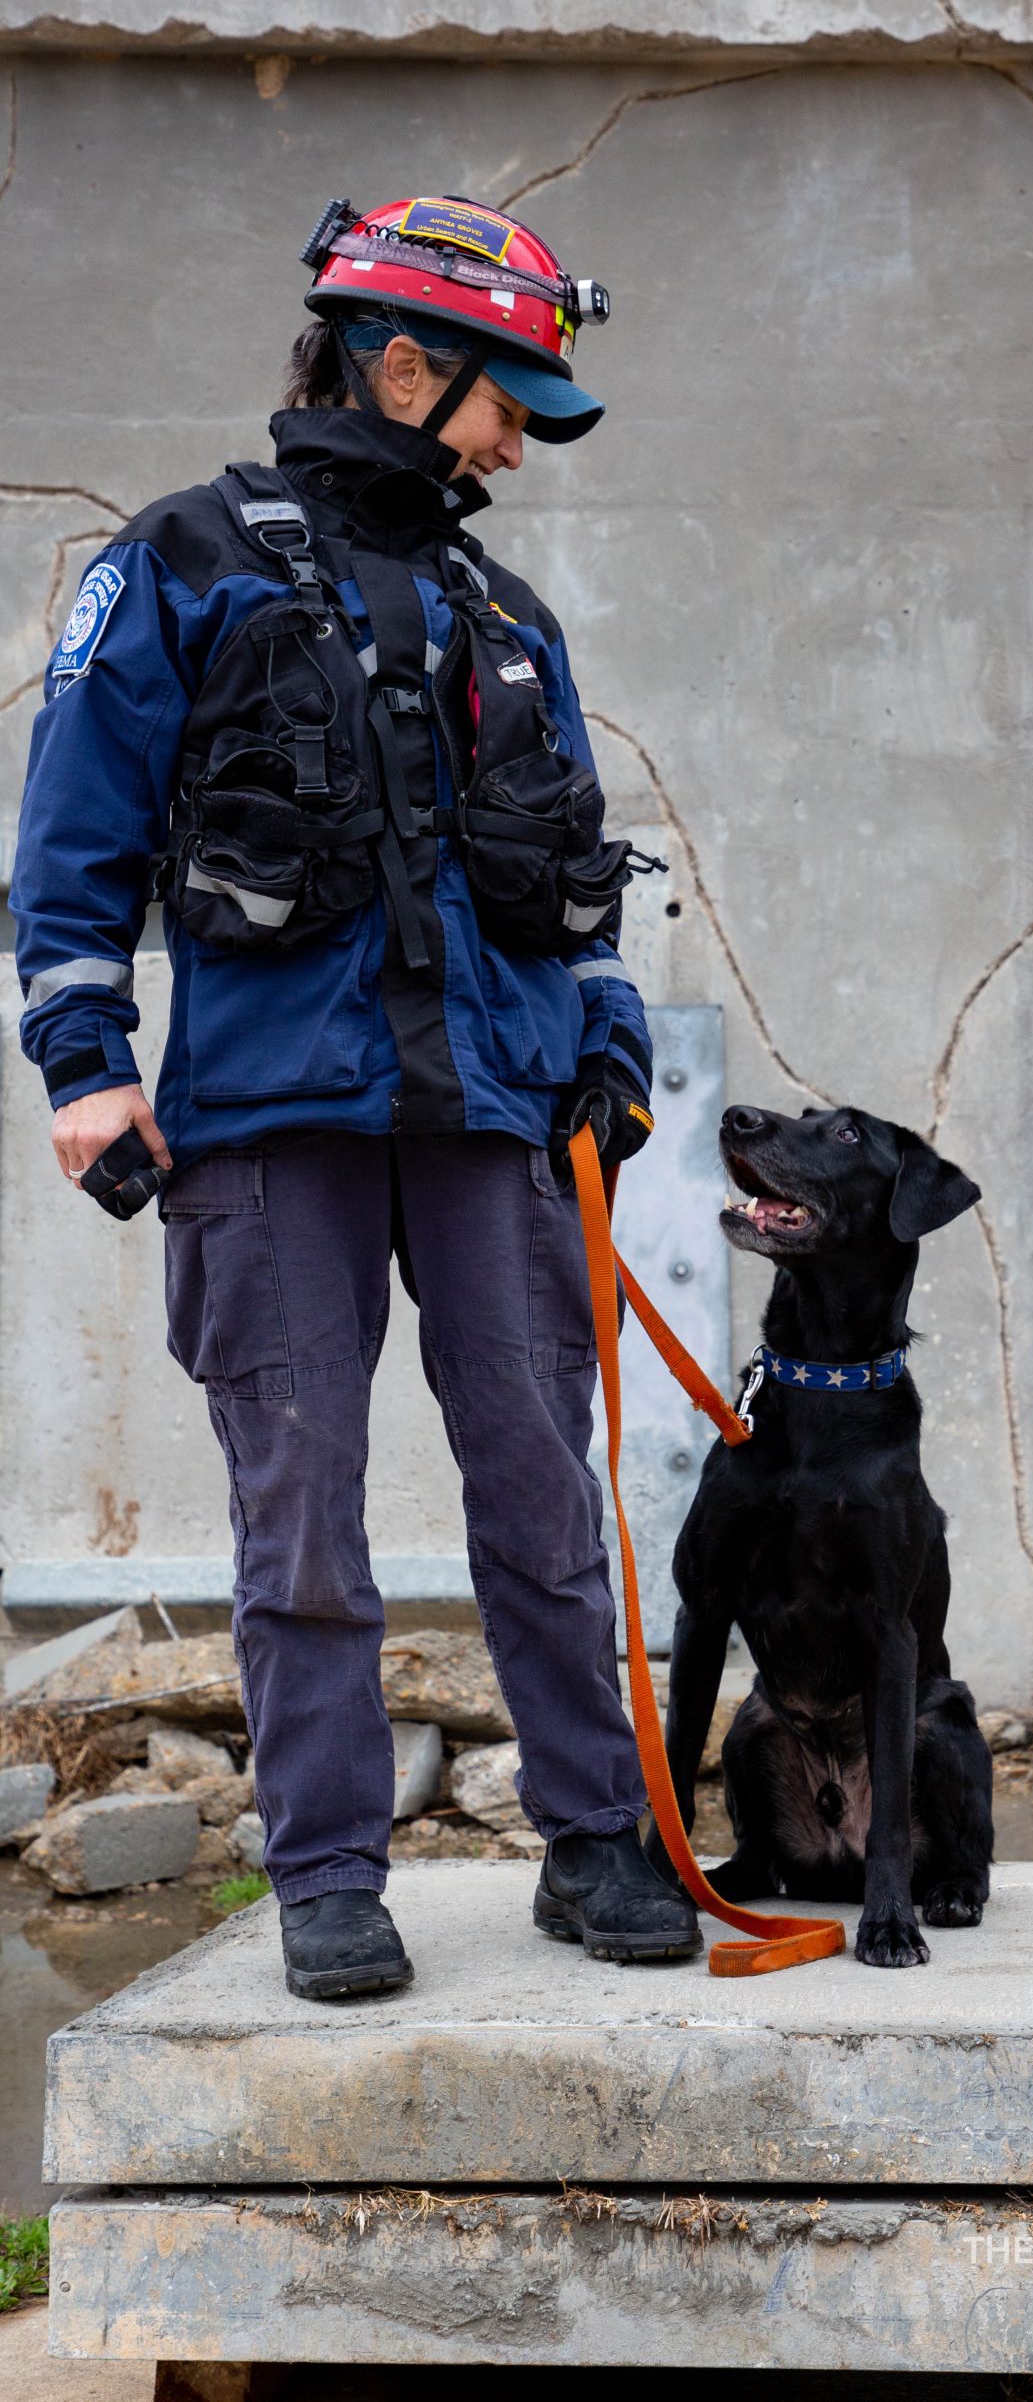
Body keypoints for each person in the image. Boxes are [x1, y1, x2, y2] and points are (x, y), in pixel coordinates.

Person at [11, 194, 701, 1995]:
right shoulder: (176, 559)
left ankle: (599, 1840)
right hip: (265, 1128)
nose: (513, 444)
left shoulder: (507, 610)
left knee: (544, 1494)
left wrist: (610, 1044)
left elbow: (570, 879)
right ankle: (329, 1878)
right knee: (297, 1512)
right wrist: (85, 1066)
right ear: (406, 366)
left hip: (492, 1125)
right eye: (500, 403)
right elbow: (72, 838)